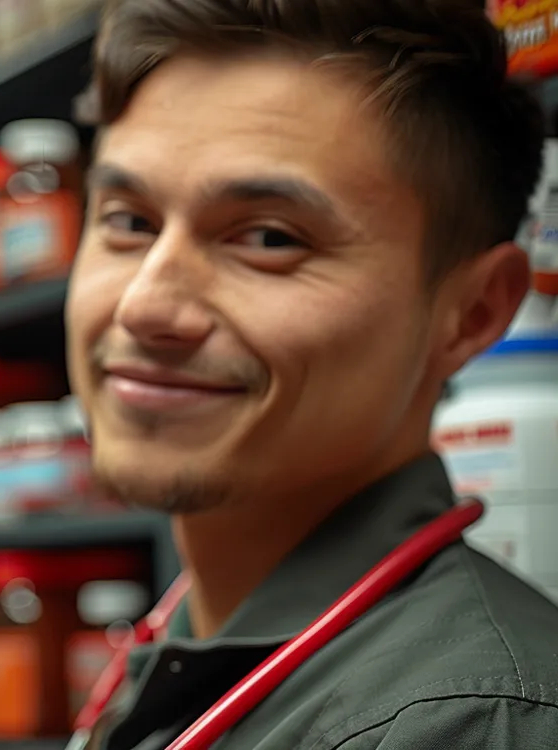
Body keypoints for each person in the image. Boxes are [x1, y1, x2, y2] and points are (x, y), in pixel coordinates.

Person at [65, 0, 558, 747]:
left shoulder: (464, 725)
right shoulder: (199, 633)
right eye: (128, 221)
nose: (144, 306)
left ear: (473, 313)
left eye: (267, 237)